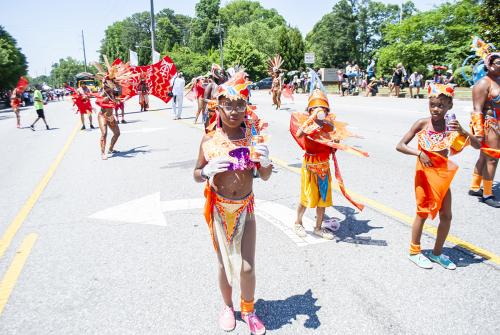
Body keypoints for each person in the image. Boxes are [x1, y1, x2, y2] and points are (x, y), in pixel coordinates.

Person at [193, 72, 272, 334]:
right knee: (225, 266)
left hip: (245, 209)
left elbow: (265, 175)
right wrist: (206, 171)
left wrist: (266, 163)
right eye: (228, 104)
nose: (234, 110)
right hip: (219, 210)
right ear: (218, 107)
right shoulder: (209, 139)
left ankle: (248, 310)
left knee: (247, 267)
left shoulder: (253, 137)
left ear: (246, 107)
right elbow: (196, 173)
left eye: (240, 105)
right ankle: (228, 307)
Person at [396, 83, 480, 269]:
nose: (436, 109)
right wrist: (418, 153)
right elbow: (400, 145)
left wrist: (463, 131)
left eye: (440, 105)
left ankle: (436, 253)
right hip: (424, 174)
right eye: (432, 104)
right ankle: (414, 251)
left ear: (449, 106)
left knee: (447, 215)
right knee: (422, 212)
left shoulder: (452, 126)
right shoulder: (422, 123)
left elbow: (477, 146)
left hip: (442, 175)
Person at [291, 89, 368, 240]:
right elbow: (299, 134)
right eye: (315, 108)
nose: (320, 111)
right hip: (310, 165)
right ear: (309, 110)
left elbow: (334, 144)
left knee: (323, 198)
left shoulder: (329, 126)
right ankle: (298, 222)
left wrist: (336, 143)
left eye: (323, 109)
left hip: (324, 166)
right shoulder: (306, 124)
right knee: (306, 197)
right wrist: (311, 118)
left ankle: (318, 227)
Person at [468, 52, 500, 207]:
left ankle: (475, 187)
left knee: (484, 156)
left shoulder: (498, 81)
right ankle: (487, 194)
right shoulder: (483, 84)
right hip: (490, 124)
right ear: (490, 65)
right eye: (499, 63)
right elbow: (477, 109)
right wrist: (479, 132)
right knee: (492, 158)